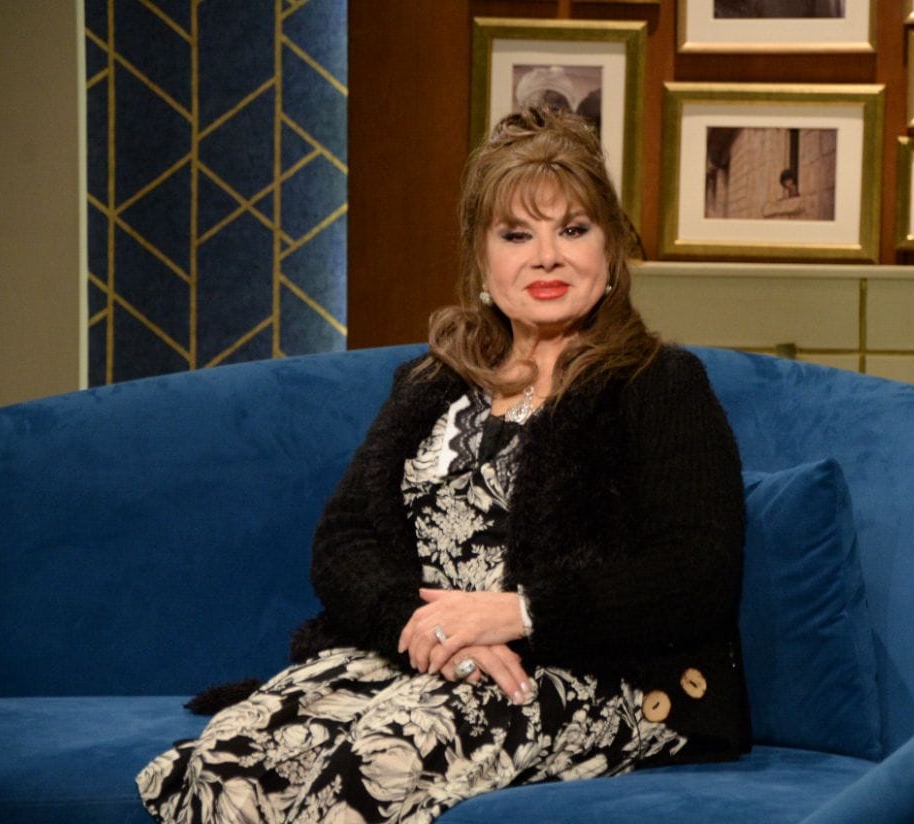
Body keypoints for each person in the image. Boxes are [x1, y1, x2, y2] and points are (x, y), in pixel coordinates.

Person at [136, 107, 748, 823]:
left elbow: (697, 568)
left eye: (572, 229)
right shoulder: (432, 385)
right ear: (481, 260)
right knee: (228, 757)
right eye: (516, 234)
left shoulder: (659, 382)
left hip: (596, 674)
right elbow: (344, 541)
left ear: (609, 250)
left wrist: (520, 612)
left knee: (382, 759)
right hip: (428, 658)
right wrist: (420, 628)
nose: (546, 257)